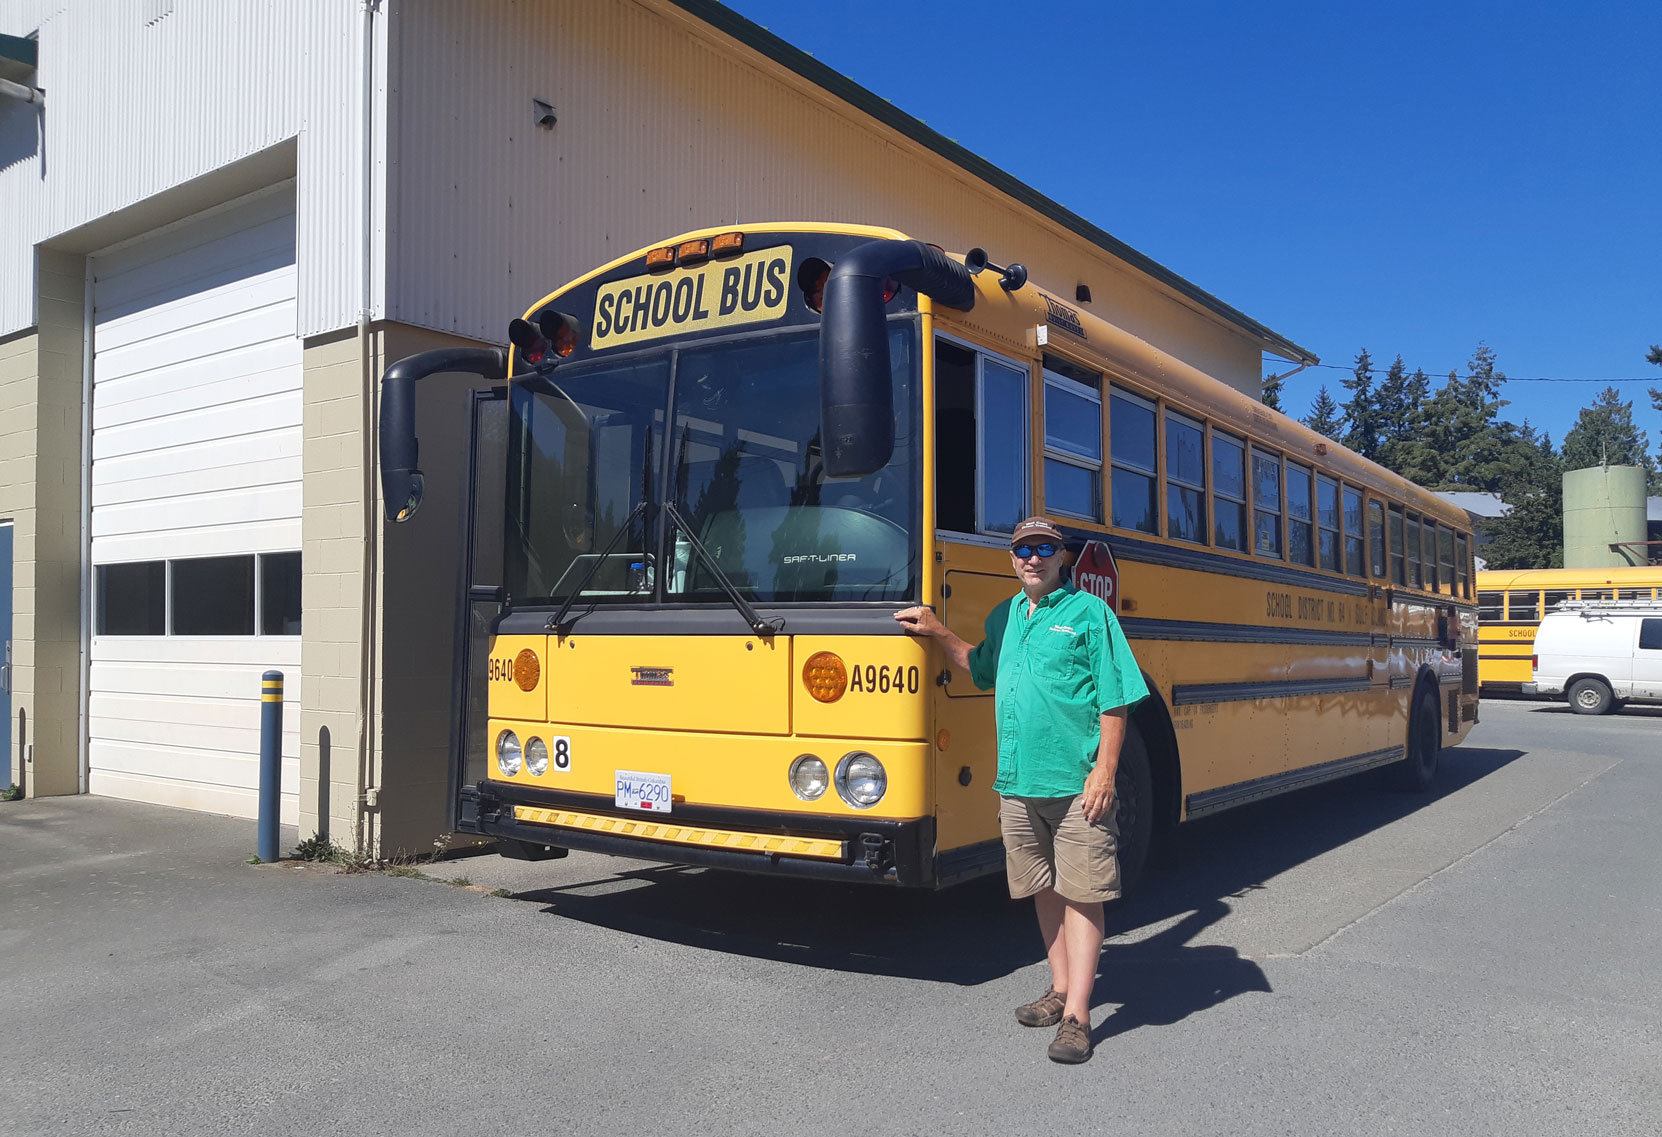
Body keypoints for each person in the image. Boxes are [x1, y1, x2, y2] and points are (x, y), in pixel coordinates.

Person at [894, 516, 1147, 1064]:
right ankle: (1058, 990)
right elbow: (979, 668)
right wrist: (938, 633)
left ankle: (1079, 1015)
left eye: (1043, 549)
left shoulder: (1089, 615)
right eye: (1023, 550)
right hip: (1018, 784)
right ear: (1012, 561)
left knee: (1083, 894)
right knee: (1043, 888)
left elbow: (1116, 699)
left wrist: (1103, 773)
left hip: (1077, 786)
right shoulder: (1007, 615)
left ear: (1061, 558)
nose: (1032, 558)